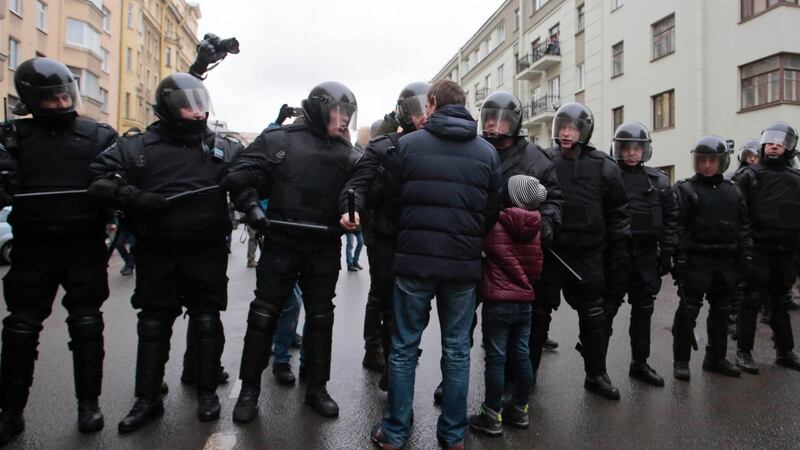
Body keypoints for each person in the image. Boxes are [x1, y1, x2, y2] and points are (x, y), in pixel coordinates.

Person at [89, 72, 241, 432]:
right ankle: (147, 399)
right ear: (169, 107)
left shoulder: (223, 147)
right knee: (154, 324)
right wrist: (133, 197)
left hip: (206, 250)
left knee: (206, 320)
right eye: (187, 105)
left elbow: (255, 170)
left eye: (200, 103)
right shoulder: (137, 147)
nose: (197, 111)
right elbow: (99, 178)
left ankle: (207, 393)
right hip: (158, 250)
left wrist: (246, 184)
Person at [369, 80, 502, 450]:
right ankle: (453, 434)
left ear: (432, 104)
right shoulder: (487, 153)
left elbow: (391, 204)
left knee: (403, 346)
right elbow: (492, 210)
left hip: (414, 262)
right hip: (461, 267)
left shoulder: (407, 146)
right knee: (458, 350)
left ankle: (395, 430)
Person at [222, 81, 362, 421]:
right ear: (318, 108)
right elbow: (238, 176)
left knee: (320, 318)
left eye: (349, 114)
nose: (344, 120)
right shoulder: (279, 141)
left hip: (323, 246)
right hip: (282, 243)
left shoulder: (348, 154)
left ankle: (316, 387)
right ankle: (250, 390)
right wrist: (252, 209)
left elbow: (358, 189)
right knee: (263, 316)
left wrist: (354, 212)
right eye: (338, 112)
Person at [0, 58, 117, 445]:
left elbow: (130, 165)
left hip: (82, 245)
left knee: (87, 325)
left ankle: (89, 404)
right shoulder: (11, 138)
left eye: (66, 93)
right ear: (32, 100)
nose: (61, 101)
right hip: (33, 248)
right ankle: (11, 412)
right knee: (19, 330)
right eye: (51, 98)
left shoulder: (98, 135)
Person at [533, 103, 629, 400]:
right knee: (537, 314)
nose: (566, 133)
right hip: (551, 253)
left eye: (573, 128)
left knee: (594, 315)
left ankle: (596, 374)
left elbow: (618, 213)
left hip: (588, 253)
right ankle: (527, 375)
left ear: (584, 131)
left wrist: (619, 253)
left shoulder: (604, 166)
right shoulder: (543, 160)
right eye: (562, 127)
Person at [343, 82, 431, 383]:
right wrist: (354, 208)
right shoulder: (386, 139)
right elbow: (363, 182)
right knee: (382, 295)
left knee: (408, 301)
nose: (424, 116)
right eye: (417, 110)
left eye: (428, 108)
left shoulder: (433, 140)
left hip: (414, 233)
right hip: (381, 229)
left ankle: (398, 353)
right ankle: (377, 349)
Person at [477, 91, 563, 386]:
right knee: (466, 318)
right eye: (489, 119)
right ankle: (455, 378)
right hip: (477, 248)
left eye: (501, 120)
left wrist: (545, 226)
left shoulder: (536, 159)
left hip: (517, 251)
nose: (494, 126)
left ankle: (522, 380)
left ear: (515, 122)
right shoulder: (474, 150)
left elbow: (553, 199)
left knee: (523, 323)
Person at [468, 174, 545, 437]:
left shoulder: (497, 224)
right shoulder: (535, 227)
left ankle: (491, 414)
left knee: (497, 358)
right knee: (522, 355)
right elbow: (537, 267)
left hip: (498, 302)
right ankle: (520, 408)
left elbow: (482, 249)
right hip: (525, 302)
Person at [605, 122, 679, 387]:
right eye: (627, 148)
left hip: (646, 256)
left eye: (638, 148)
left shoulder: (659, 181)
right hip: (617, 255)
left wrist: (668, 251)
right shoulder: (609, 177)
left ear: (645, 150)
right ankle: (597, 369)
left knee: (643, 311)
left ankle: (640, 363)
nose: (632, 153)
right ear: (618, 149)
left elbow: (671, 218)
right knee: (606, 311)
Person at [671, 136, 750, 381]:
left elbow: (744, 224)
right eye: (702, 160)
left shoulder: (733, 191)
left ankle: (715, 358)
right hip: (696, 260)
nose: (707, 165)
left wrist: (746, 253)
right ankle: (681, 361)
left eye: (712, 161)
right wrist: (678, 257)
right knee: (688, 312)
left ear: (722, 162)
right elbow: (676, 226)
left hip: (725, 261)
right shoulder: (685, 189)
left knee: (722, 312)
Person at [733, 122, 800, 374]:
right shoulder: (749, 176)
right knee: (750, 300)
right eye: (771, 141)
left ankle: (785, 352)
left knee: (781, 302)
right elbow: (738, 215)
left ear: (789, 148)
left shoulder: (796, 180)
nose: (774, 145)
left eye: (780, 143)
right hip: (757, 250)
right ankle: (744, 352)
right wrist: (744, 248)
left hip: (786, 252)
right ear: (762, 145)